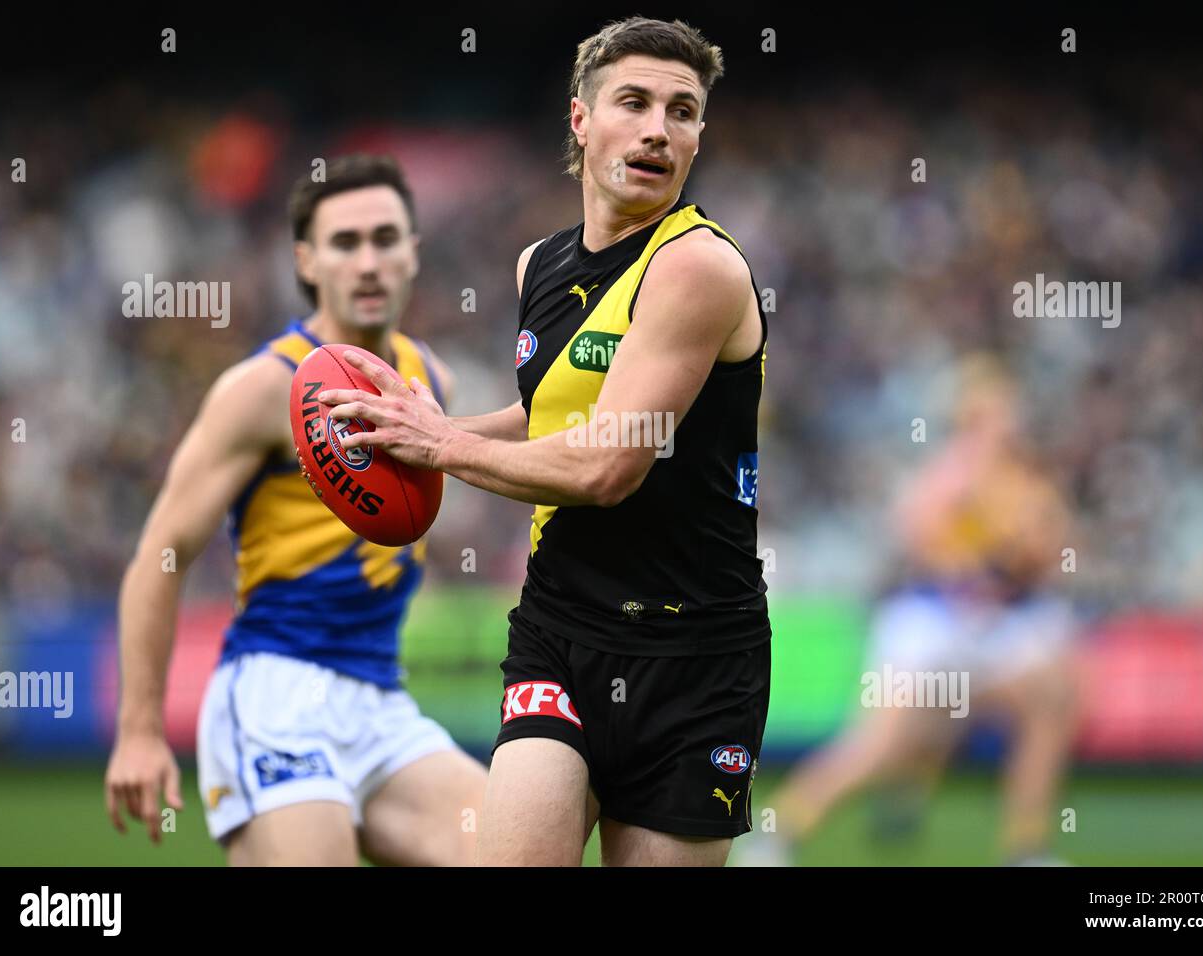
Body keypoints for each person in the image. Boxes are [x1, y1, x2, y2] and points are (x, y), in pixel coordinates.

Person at [318, 17, 770, 866]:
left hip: (695, 657)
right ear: (580, 120)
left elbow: (605, 466)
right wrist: (431, 427)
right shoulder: (540, 265)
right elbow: (555, 416)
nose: (657, 129)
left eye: (683, 110)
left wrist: (443, 449)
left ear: (700, 134)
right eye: (633, 102)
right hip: (560, 628)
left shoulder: (697, 268)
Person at [105, 154, 486, 865]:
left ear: (414, 252)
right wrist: (139, 730)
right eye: (345, 243)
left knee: (517, 851)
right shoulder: (261, 388)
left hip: (379, 699)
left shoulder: (433, 377)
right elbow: (160, 558)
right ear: (306, 260)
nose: (368, 262)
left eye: (385, 238)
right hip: (277, 694)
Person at [736, 355, 1079, 866]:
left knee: (1052, 699)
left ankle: (1025, 847)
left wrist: (1010, 548)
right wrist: (985, 546)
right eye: (993, 411)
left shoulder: (1024, 481)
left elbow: (1047, 551)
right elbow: (924, 542)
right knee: (881, 744)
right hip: (932, 622)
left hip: (992, 624)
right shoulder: (949, 474)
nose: (1006, 422)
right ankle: (779, 830)